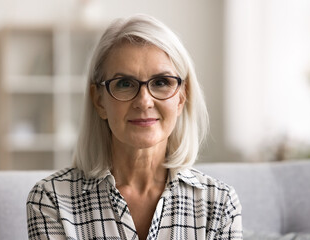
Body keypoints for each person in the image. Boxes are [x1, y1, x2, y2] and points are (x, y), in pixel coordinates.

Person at [27, 14, 242, 240]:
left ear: (181, 98)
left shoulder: (218, 203)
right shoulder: (51, 200)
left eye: (161, 82)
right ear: (99, 101)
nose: (144, 101)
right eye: (124, 84)